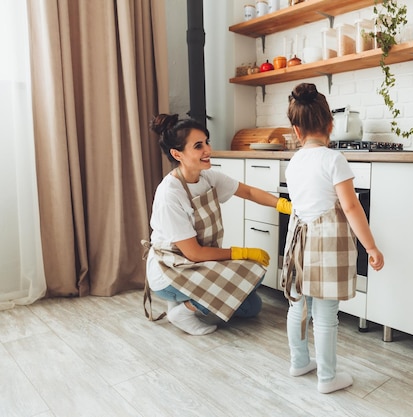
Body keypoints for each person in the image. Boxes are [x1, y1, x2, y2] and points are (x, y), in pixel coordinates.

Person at [144, 113, 292, 336]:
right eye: (198, 146)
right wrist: (241, 252)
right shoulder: (169, 195)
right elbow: (193, 253)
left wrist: (283, 205)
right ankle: (183, 310)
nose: (208, 150)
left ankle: (187, 300)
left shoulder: (208, 178)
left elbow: (249, 192)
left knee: (253, 307)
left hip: (198, 263)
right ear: (177, 154)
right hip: (170, 269)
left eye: (206, 141)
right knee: (253, 272)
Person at [281, 83, 384, 394]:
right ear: (331, 124)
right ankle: (327, 378)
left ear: (296, 131)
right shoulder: (333, 159)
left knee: (297, 306)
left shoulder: (294, 162)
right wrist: (371, 247)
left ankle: (299, 362)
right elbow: (351, 207)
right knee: (326, 314)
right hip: (327, 245)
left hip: (298, 240)